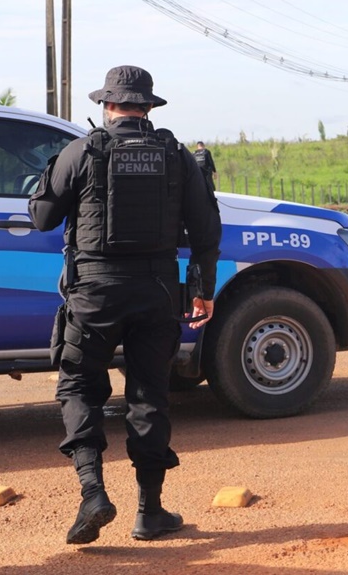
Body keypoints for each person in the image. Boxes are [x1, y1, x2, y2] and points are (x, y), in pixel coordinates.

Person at [28, 65, 222, 544]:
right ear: (147, 107)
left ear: (106, 105)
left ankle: (93, 493)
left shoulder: (82, 151)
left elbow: (42, 219)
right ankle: (149, 511)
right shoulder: (176, 156)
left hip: (93, 294)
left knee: (78, 385)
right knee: (148, 395)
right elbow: (206, 230)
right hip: (157, 292)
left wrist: (49, 175)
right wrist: (204, 288)